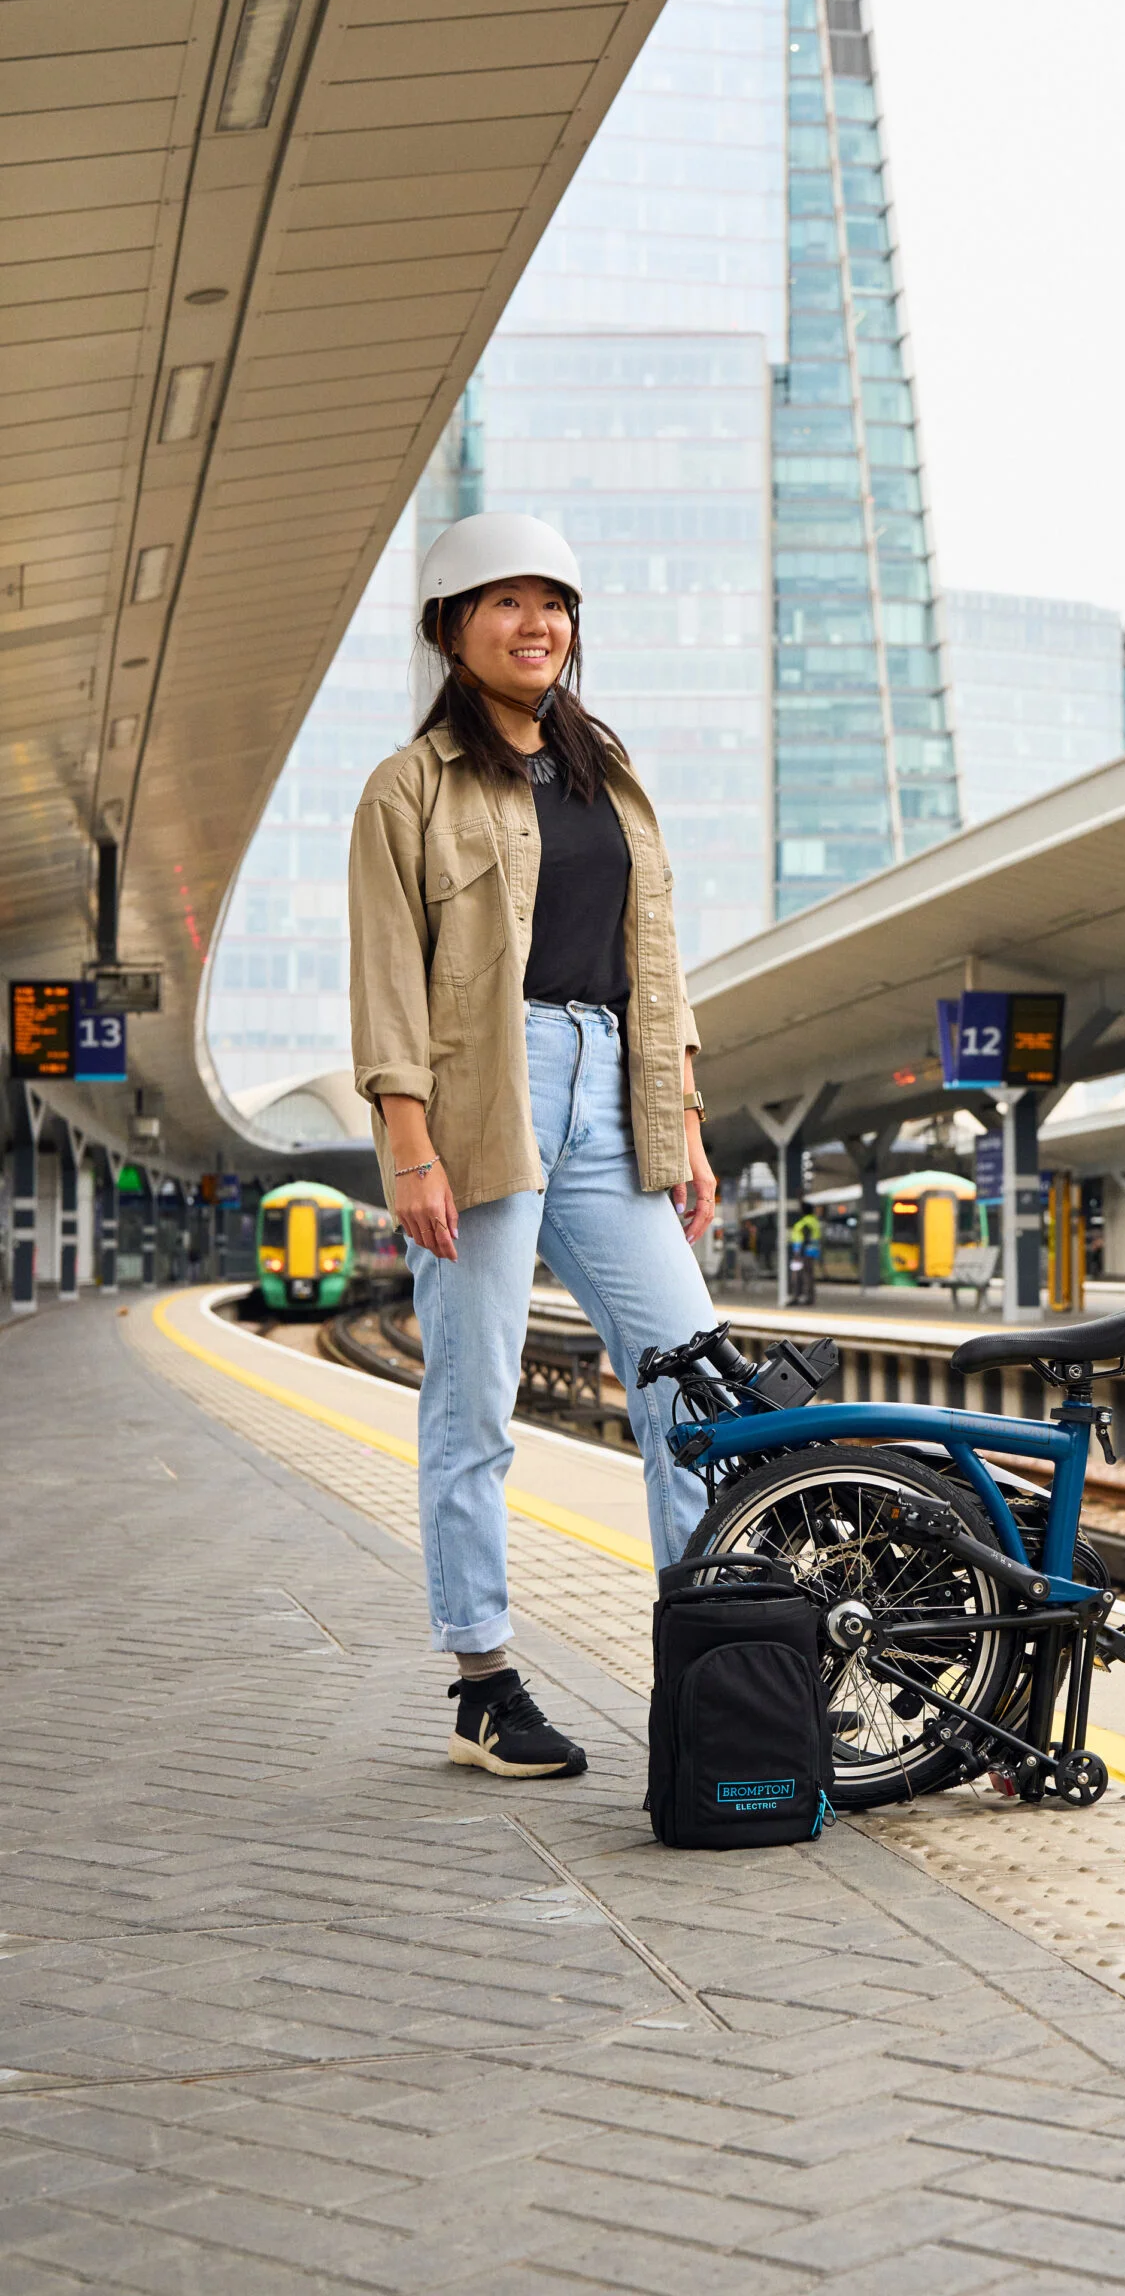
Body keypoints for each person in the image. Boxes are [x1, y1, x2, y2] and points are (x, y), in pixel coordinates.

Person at [349, 512, 717, 1781]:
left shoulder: (607, 772)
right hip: (481, 1097)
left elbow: (654, 956)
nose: (536, 623)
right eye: (504, 602)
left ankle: (712, 1665)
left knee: (693, 1393)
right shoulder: (411, 787)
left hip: (613, 1092)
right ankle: (485, 1682)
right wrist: (410, 1145)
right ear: (452, 629)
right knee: (472, 1400)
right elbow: (389, 978)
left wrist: (685, 1113)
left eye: (552, 602)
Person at [788, 1204, 823, 1308]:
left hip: (801, 1253)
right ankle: (809, 1297)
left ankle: (797, 1297)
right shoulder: (815, 1222)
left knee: (797, 1275)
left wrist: (799, 1253)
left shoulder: (805, 1223)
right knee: (809, 1275)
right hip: (811, 1252)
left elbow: (805, 1238)